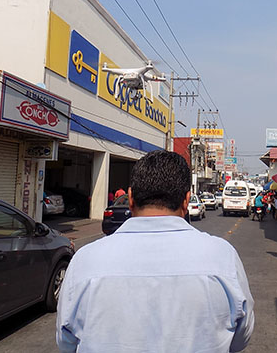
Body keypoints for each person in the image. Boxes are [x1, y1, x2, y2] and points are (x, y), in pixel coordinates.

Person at [56, 150, 254, 352]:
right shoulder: (222, 257)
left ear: (130, 198)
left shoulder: (86, 261)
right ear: (186, 200)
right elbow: (240, 339)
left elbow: (67, 341)